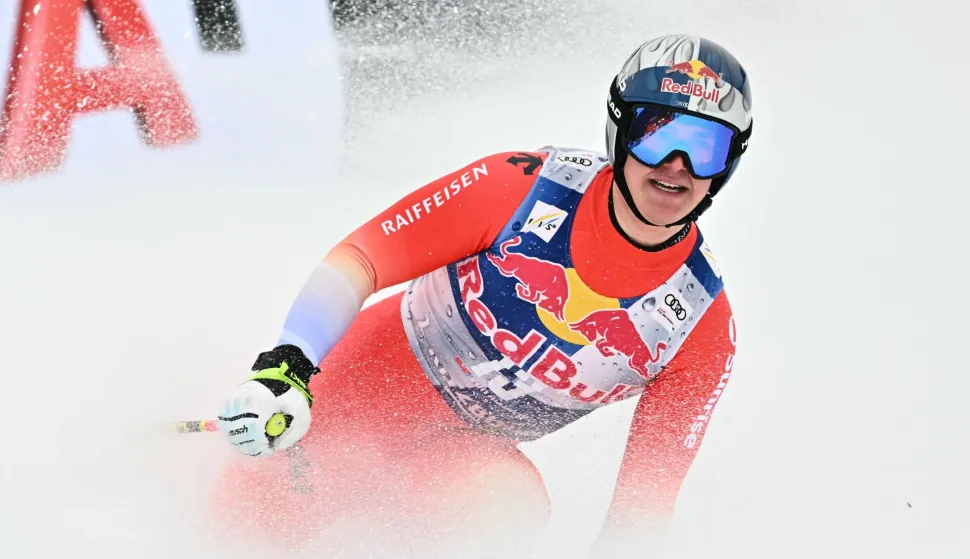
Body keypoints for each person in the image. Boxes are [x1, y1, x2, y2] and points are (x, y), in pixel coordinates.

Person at [215, 33, 753, 558]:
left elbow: (640, 518)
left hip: (455, 464)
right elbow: (361, 259)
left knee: (510, 512)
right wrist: (287, 363)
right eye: (657, 136)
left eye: (707, 148)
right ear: (619, 130)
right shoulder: (524, 186)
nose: (677, 166)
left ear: (727, 166)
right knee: (238, 531)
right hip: (347, 401)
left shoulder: (699, 322)